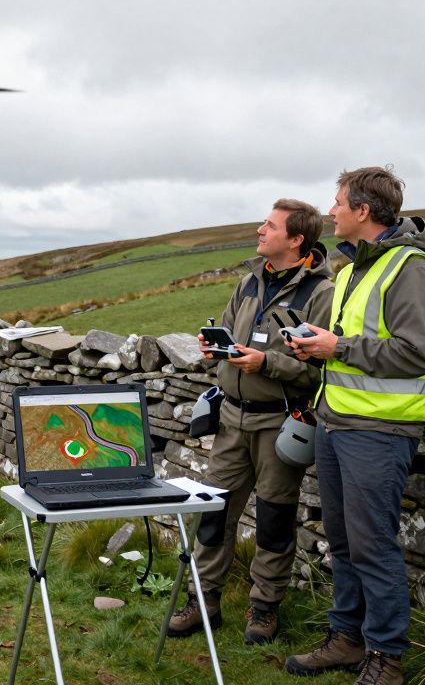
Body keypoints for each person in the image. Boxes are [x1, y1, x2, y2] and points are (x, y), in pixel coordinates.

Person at [284, 167, 425, 685]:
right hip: (338, 424)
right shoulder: (355, 268)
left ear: (362, 210)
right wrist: (318, 344)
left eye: (337, 203)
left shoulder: (412, 267)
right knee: (343, 542)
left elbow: (420, 353)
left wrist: (339, 348)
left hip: (380, 431)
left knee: (373, 544)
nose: (330, 211)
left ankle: (386, 659)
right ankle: (347, 640)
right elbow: (357, 342)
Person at [168, 198, 334, 645]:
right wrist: (214, 350)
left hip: (280, 424)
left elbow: (321, 370)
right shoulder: (247, 283)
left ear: (296, 239)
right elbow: (225, 331)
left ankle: (264, 609)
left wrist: (266, 364)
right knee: (213, 514)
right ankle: (203, 600)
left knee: (275, 520)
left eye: (270, 225)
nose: (260, 230)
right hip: (230, 419)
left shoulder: (321, 294)